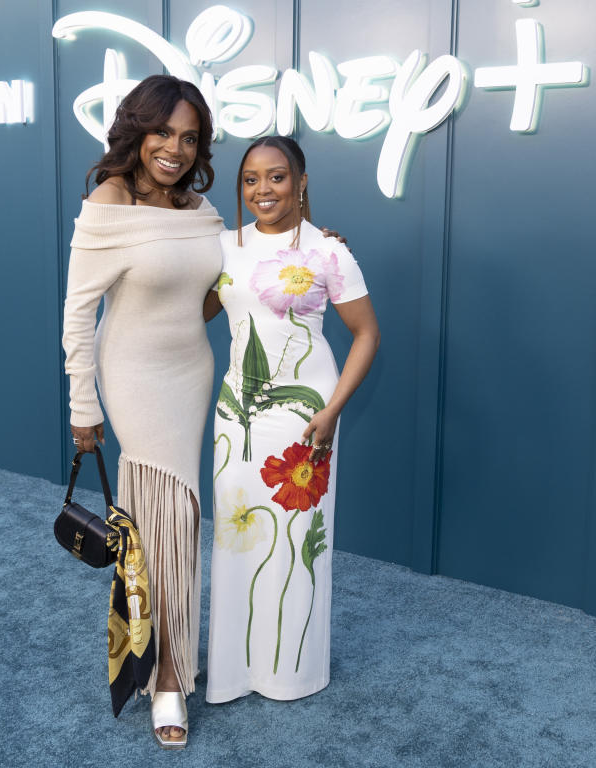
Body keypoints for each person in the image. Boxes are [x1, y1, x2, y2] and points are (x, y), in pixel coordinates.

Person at [61, 75, 224, 749]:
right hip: (132, 376)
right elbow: (77, 312)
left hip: (191, 374)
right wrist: (82, 403)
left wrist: (299, 244)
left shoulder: (198, 207)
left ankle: (158, 657)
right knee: (170, 520)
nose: (175, 149)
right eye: (163, 132)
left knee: (172, 522)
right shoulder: (111, 199)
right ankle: (166, 678)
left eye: (189, 138)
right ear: (137, 129)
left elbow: (214, 296)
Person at [203, 136, 380, 703]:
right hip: (237, 414)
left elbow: (367, 334)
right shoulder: (224, 247)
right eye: (251, 179)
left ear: (300, 182)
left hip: (305, 417)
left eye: (276, 177)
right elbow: (195, 307)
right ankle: (233, 669)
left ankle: (289, 671)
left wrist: (332, 412)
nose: (263, 190)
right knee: (236, 535)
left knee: (296, 538)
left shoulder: (329, 252)